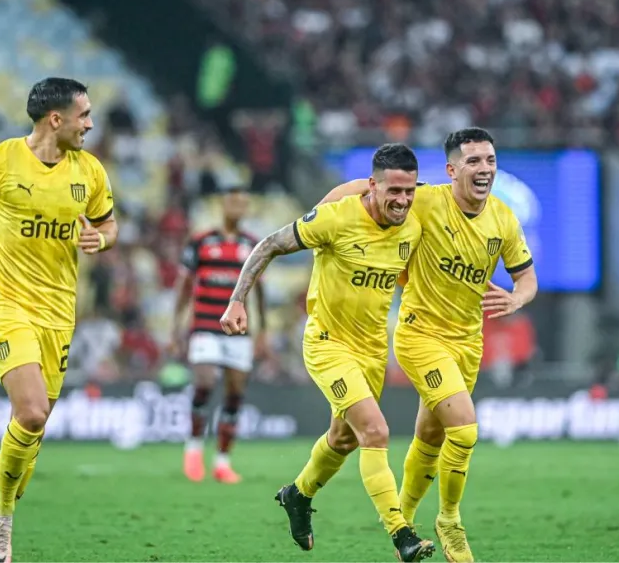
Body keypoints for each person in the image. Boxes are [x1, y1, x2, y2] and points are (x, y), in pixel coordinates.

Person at [318, 128, 537, 562]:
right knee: (465, 429)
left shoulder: (503, 219)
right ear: (452, 170)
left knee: (431, 435)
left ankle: (404, 526)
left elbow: (526, 277)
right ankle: (450, 520)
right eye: (474, 161)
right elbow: (366, 187)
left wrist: (517, 297)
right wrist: (320, 214)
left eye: (490, 160)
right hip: (420, 335)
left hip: (466, 341)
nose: (485, 169)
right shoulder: (426, 200)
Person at [220, 143, 435, 562]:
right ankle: (402, 534)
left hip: (373, 350)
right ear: (372, 186)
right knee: (375, 432)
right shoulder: (336, 217)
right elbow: (269, 244)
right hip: (328, 344)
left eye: (409, 191)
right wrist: (237, 300)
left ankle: (297, 495)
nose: (402, 200)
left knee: (343, 438)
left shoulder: (412, 226)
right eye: (393, 191)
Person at [0, 77, 117, 563]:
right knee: (32, 412)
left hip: (59, 312)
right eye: (83, 115)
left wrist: (102, 238)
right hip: (7, 302)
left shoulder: (90, 171)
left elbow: (108, 222)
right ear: (56, 119)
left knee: (34, 428)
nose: (90, 124)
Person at [171, 185, 267, 483]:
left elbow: (259, 291)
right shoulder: (200, 241)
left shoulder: (253, 245)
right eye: (233, 202)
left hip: (238, 330)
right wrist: (176, 326)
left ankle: (222, 462)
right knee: (205, 382)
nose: (238, 208)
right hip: (205, 324)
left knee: (235, 393)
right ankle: (194, 449)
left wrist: (263, 331)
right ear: (222, 205)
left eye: (243, 204)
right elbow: (184, 286)